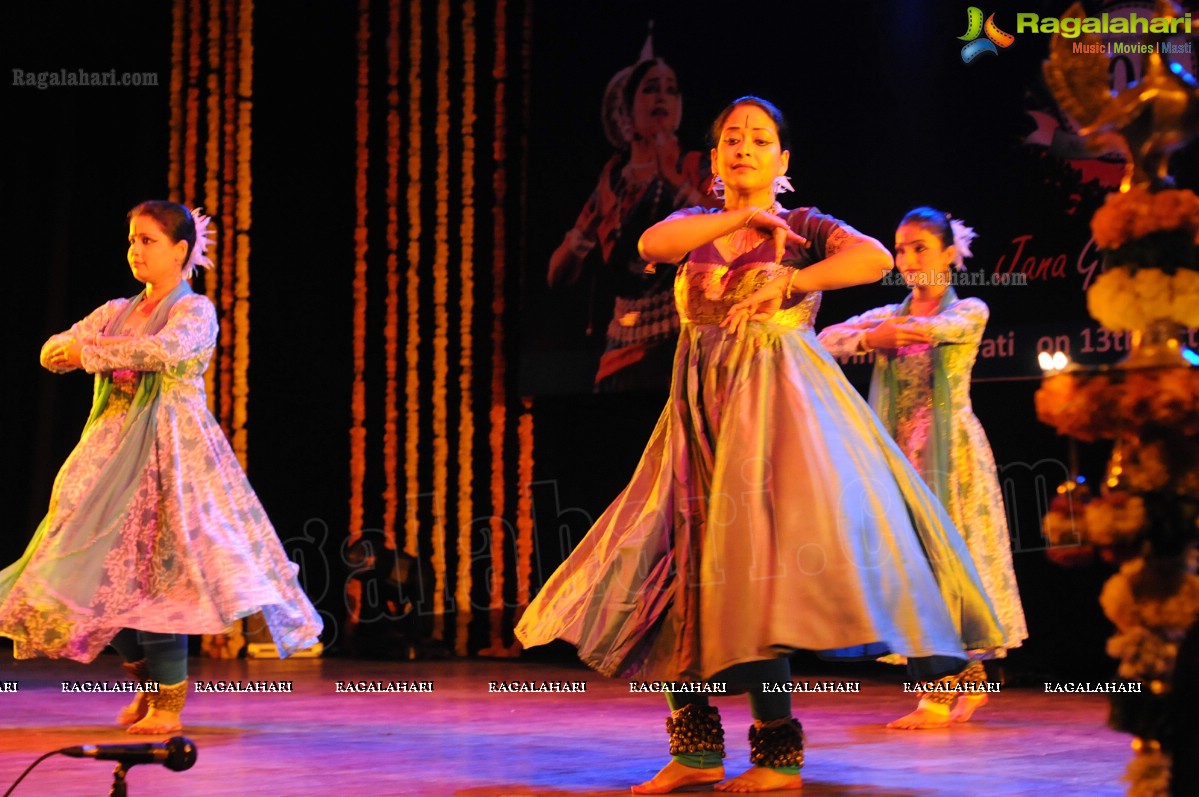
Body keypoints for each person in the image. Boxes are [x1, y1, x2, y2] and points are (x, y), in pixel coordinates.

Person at [516, 97, 1003, 793]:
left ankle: (777, 754)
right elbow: (649, 246)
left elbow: (866, 259)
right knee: (671, 568)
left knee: (752, 580)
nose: (744, 148)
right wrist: (739, 218)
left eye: (760, 139)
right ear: (713, 160)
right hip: (696, 418)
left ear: (783, 160)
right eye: (730, 140)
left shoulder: (805, 226)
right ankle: (696, 748)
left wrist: (795, 277)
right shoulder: (690, 225)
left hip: (776, 419)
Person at [0, 201, 323, 734]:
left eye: (148, 240)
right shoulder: (115, 309)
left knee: (156, 579)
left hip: (170, 456)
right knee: (101, 579)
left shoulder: (194, 311)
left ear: (181, 250)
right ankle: (149, 688)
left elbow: (163, 352)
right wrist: (75, 348)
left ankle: (168, 705)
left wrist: (91, 353)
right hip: (107, 456)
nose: (135, 250)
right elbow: (53, 349)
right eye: (131, 240)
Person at [818, 207, 1028, 728]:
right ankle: (962, 686)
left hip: (950, 452)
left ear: (949, 254)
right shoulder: (887, 314)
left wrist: (893, 330)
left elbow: (940, 329)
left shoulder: (971, 308)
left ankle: (939, 695)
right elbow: (826, 339)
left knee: (952, 565)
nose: (909, 259)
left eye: (921, 248)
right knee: (912, 566)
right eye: (902, 249)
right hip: (898, 452)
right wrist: (870, 338)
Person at [547, 47, 715, 392]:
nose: (663, 97)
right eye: (651, 88)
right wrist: (578, 241)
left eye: (671, 90)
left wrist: (675, 183)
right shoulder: (612, 181)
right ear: (627, 109)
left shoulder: (696, 167)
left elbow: (730, 235)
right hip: (622, 348)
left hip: (687, 341)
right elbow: (557, 275)